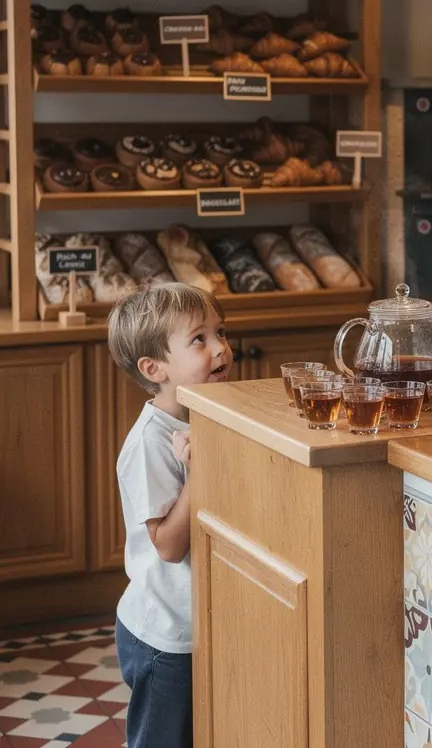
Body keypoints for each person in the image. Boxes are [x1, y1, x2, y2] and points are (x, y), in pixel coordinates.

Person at [107, 283, 233, 748]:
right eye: (199, 339)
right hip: (165, 637)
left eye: (221, 333)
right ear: (153, 369)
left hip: (200, 623)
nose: (221, 348)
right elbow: (169, 545)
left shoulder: (209, 415)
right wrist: (199, 472)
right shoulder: (150, 443)